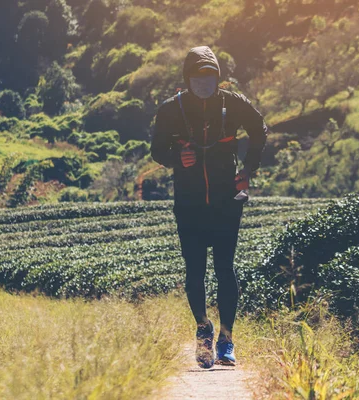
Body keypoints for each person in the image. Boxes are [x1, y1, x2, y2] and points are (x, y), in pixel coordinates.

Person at [151, 46, 268, 369]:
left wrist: (249, 168)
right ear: (187, 79)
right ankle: (204, 329)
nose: (204, 82)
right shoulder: (170, 110)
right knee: (195, 273)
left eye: (210, 76)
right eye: (198, 76)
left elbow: (259, 129)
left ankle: (227, 341)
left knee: (225, 269)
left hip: (226, 201)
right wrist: (177, 158)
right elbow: (156, 149)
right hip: (188, 204)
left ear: (218, 77)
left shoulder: (233, 103)